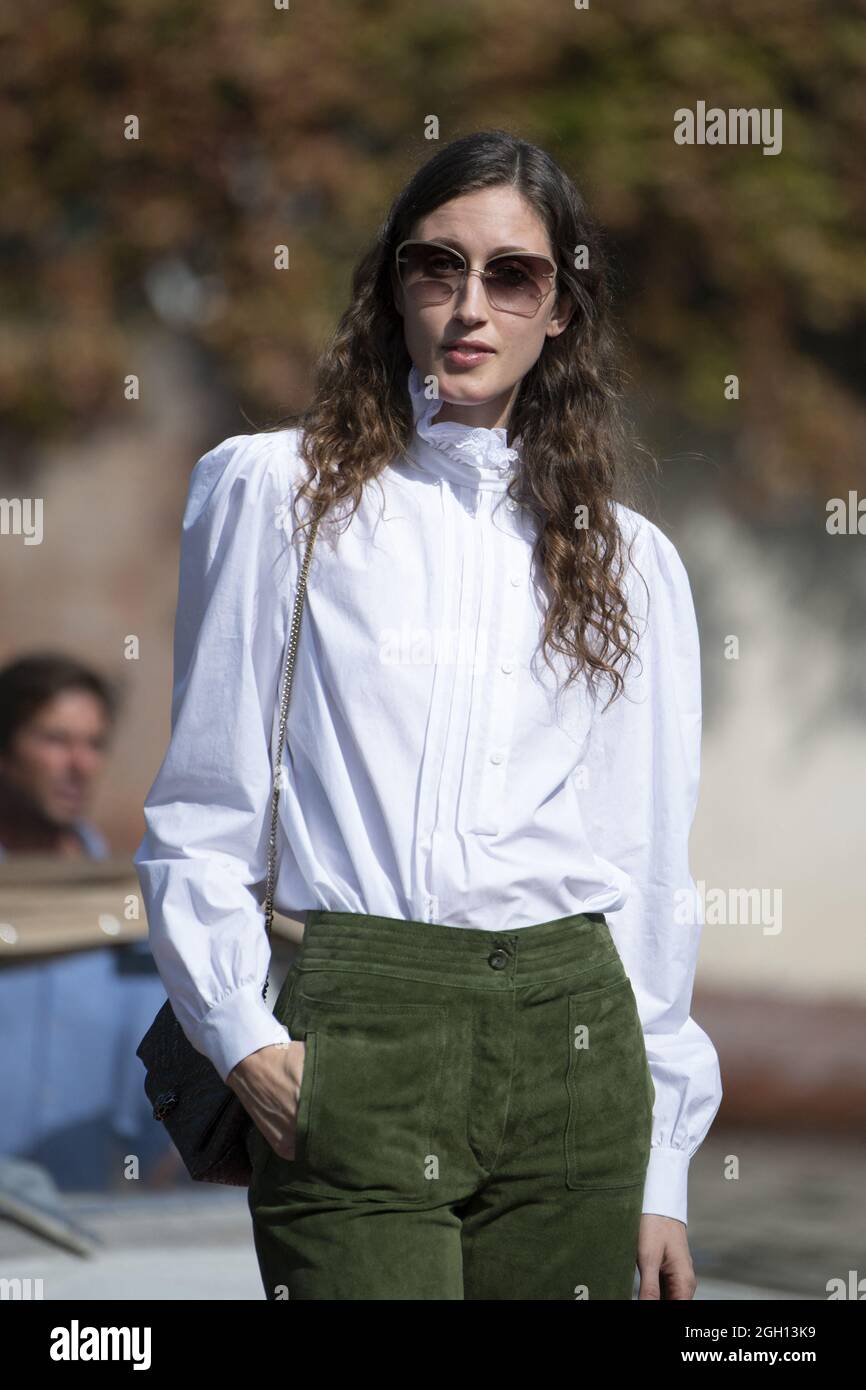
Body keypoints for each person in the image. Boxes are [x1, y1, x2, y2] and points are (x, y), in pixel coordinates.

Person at [133, 130, 723, 1300]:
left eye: (513, 275)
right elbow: (206, 805)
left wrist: (661, 1168)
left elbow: (646, 869)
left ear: (559, 308)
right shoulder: (276, 492)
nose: (469, 305)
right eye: (434, 265)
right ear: (392, 287)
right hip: (359, 1025)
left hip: (573, 1043)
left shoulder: (629, 560)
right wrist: (240, 1036)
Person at [0, 653, 177, 1188]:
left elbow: (159, 1120)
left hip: (99, 1240)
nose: (80, 764)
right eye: (55, 740)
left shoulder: (132, 910)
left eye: (94, 744)